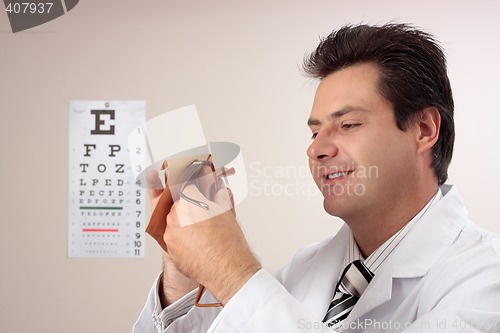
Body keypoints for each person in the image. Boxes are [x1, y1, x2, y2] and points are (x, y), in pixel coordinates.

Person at [133, 23, 500, 332]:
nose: (317, 150)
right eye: (314, 132)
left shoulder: (485, 279)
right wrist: (186, 273)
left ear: (423, 128)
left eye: (349, 124)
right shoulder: (307, 269)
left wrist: (233, 271)